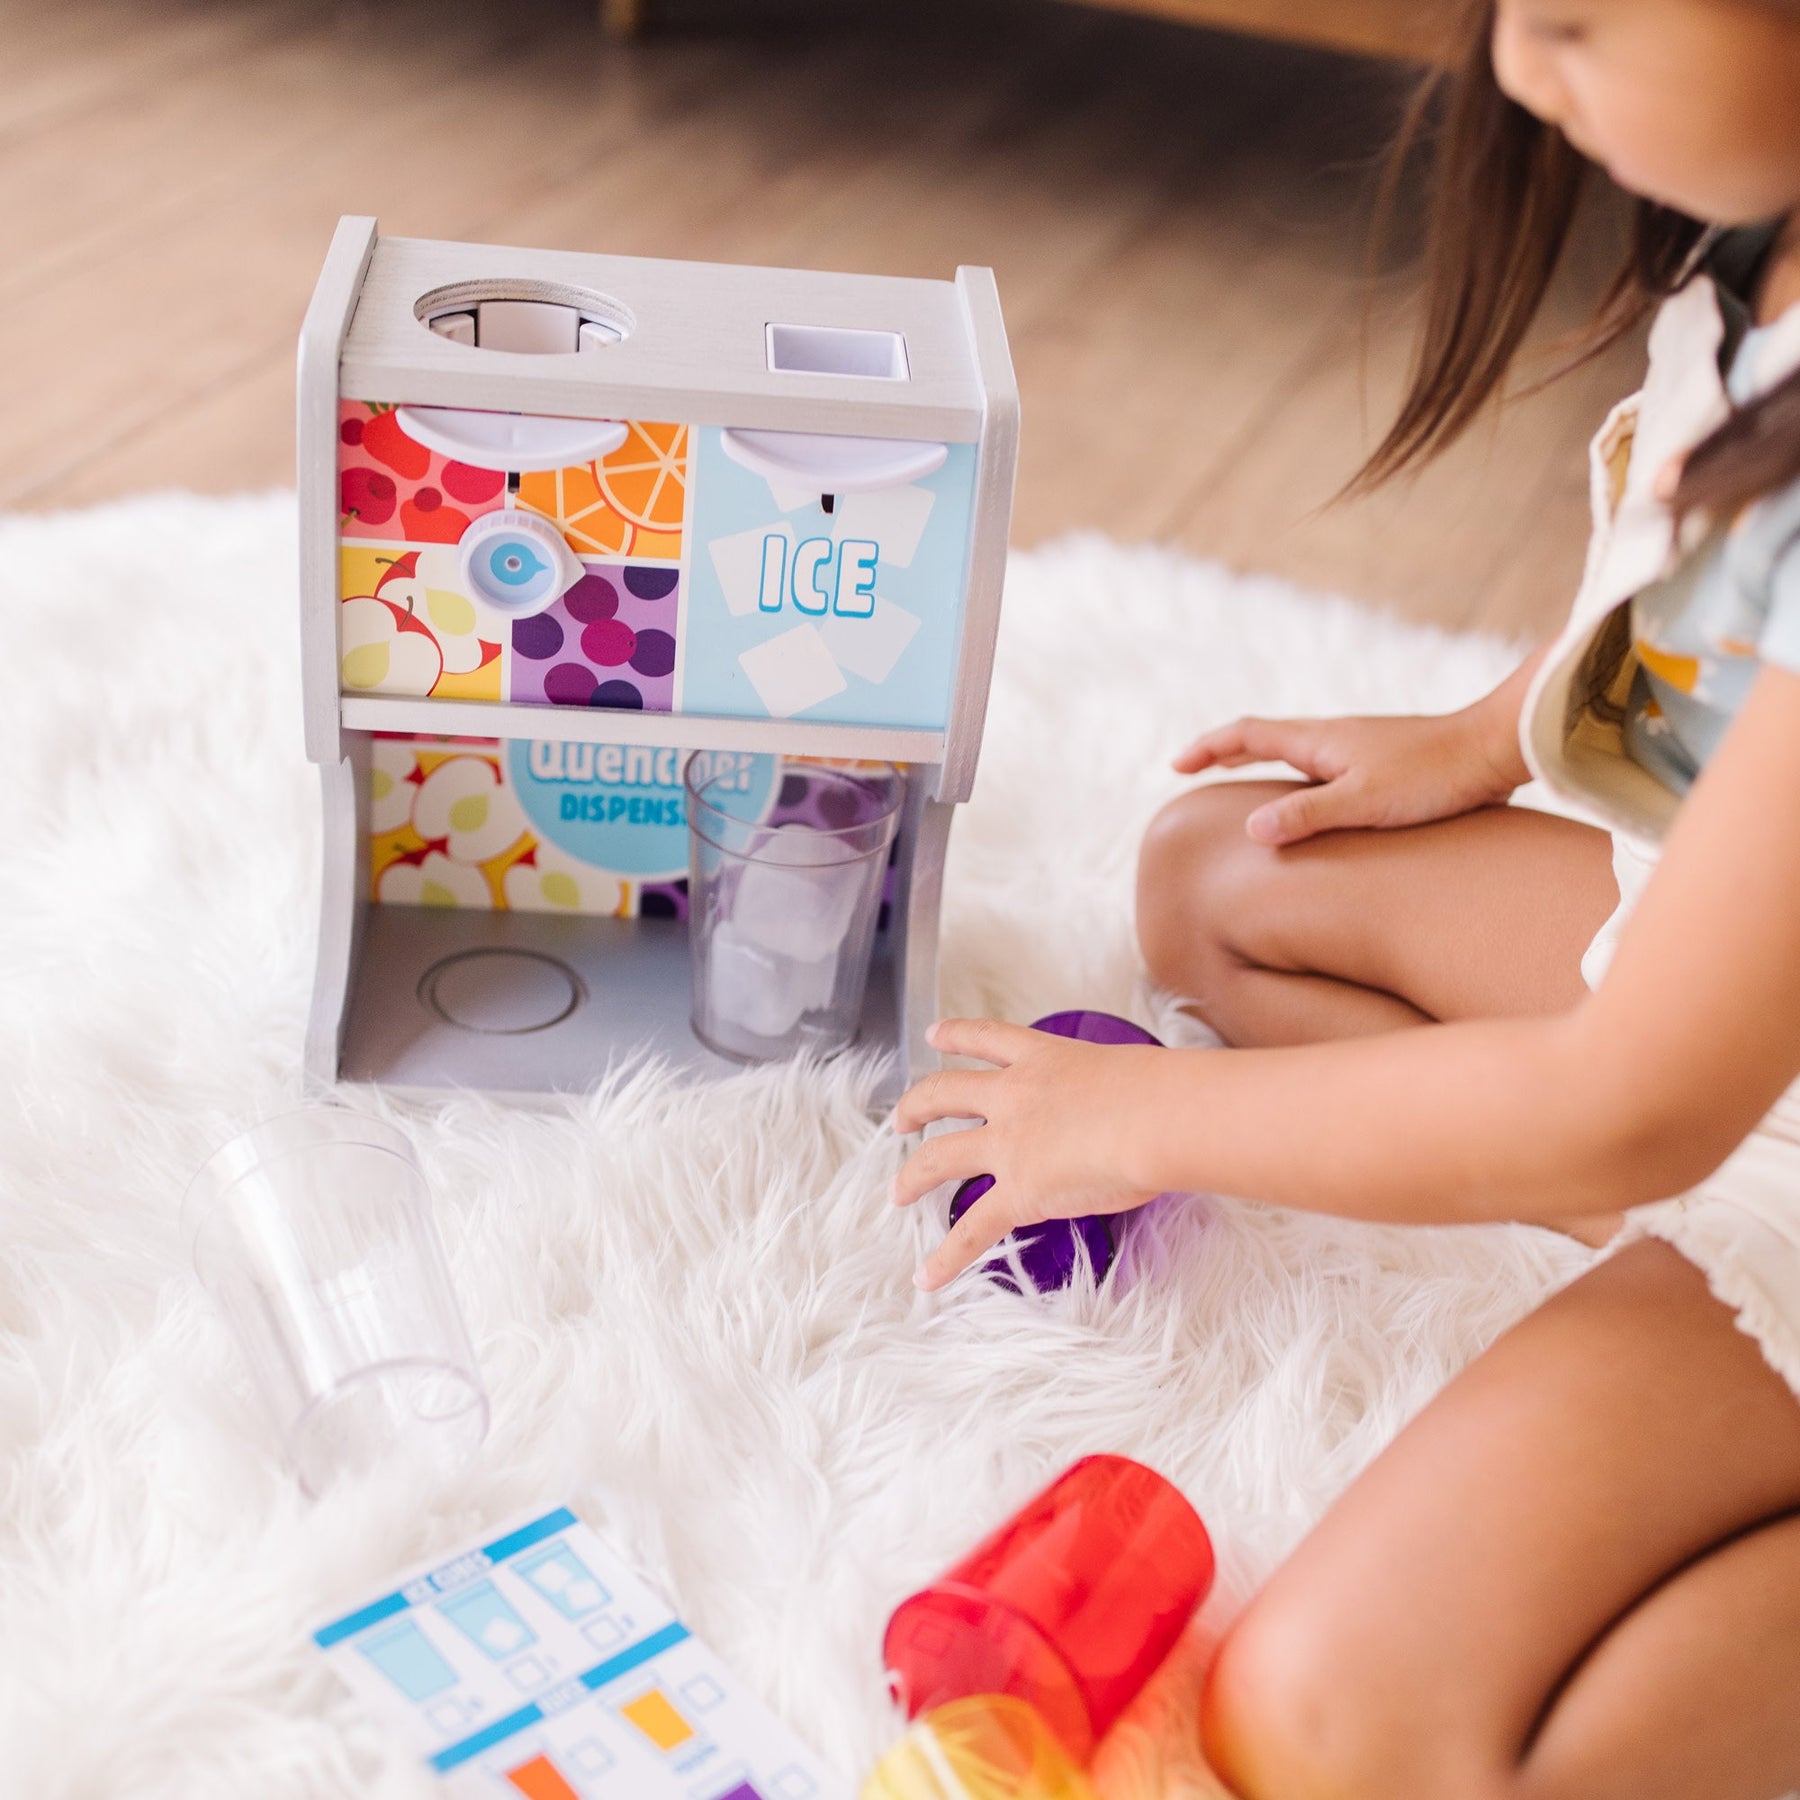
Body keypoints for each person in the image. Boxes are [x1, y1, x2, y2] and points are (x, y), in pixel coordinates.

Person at [889, 3, 1800, 1794]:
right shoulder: (1767, 237)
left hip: (1720, 1095)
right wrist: (1490, 736)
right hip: (1741, 995)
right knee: (1220, 878)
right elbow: (1720, 575)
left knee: (1337, 1722)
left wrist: (1157, 1118)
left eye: (1576, 19)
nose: (1524, 71)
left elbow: (1622, 1110)